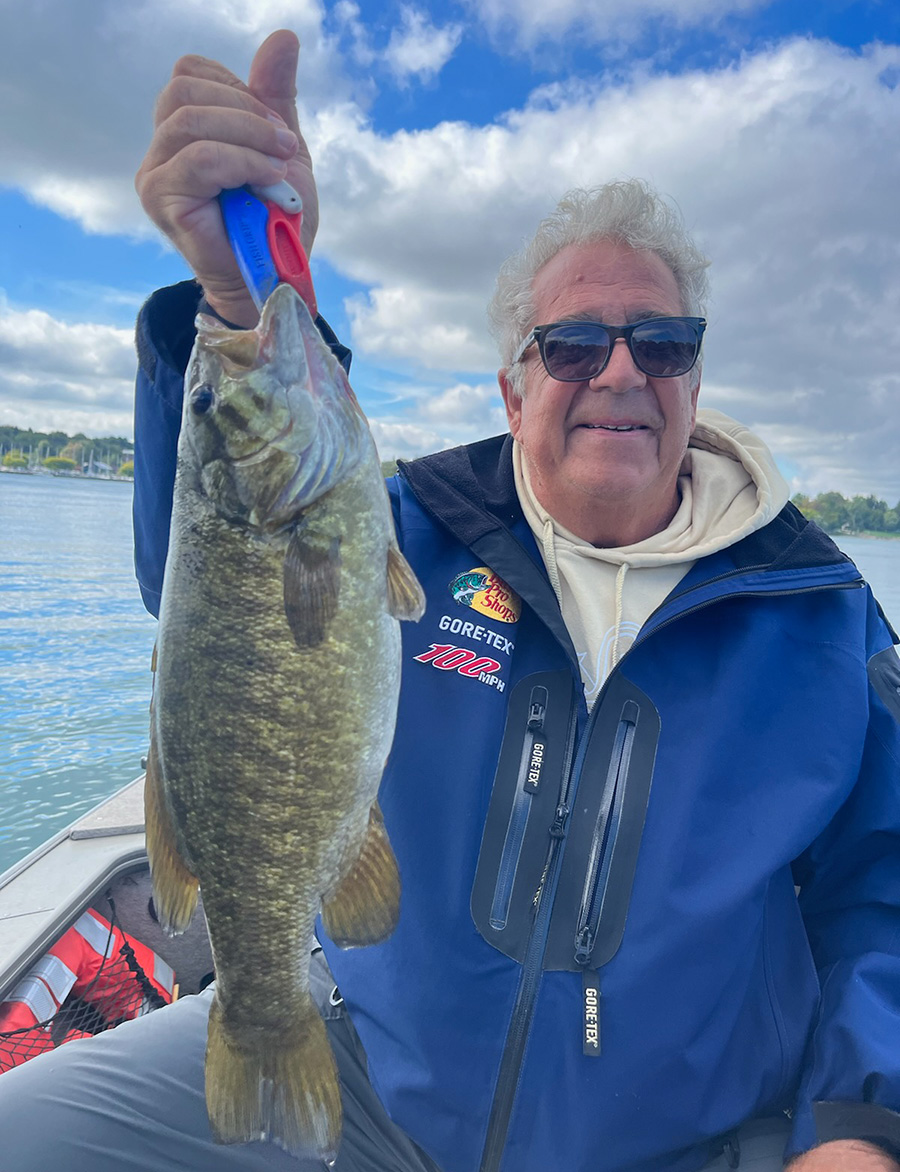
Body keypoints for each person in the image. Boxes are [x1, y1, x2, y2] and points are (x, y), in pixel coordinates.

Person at [2, 27, 900, 1172]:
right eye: (573, 345)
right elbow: (209, 588)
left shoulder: (819, 612)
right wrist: (238, 302)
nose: (620, 371)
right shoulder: (404, 528)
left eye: (662, 343)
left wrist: (864, 1124)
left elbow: (888, 886)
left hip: (681, 1139)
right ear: (512, 388)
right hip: (373, 1070)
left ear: (695, 377)